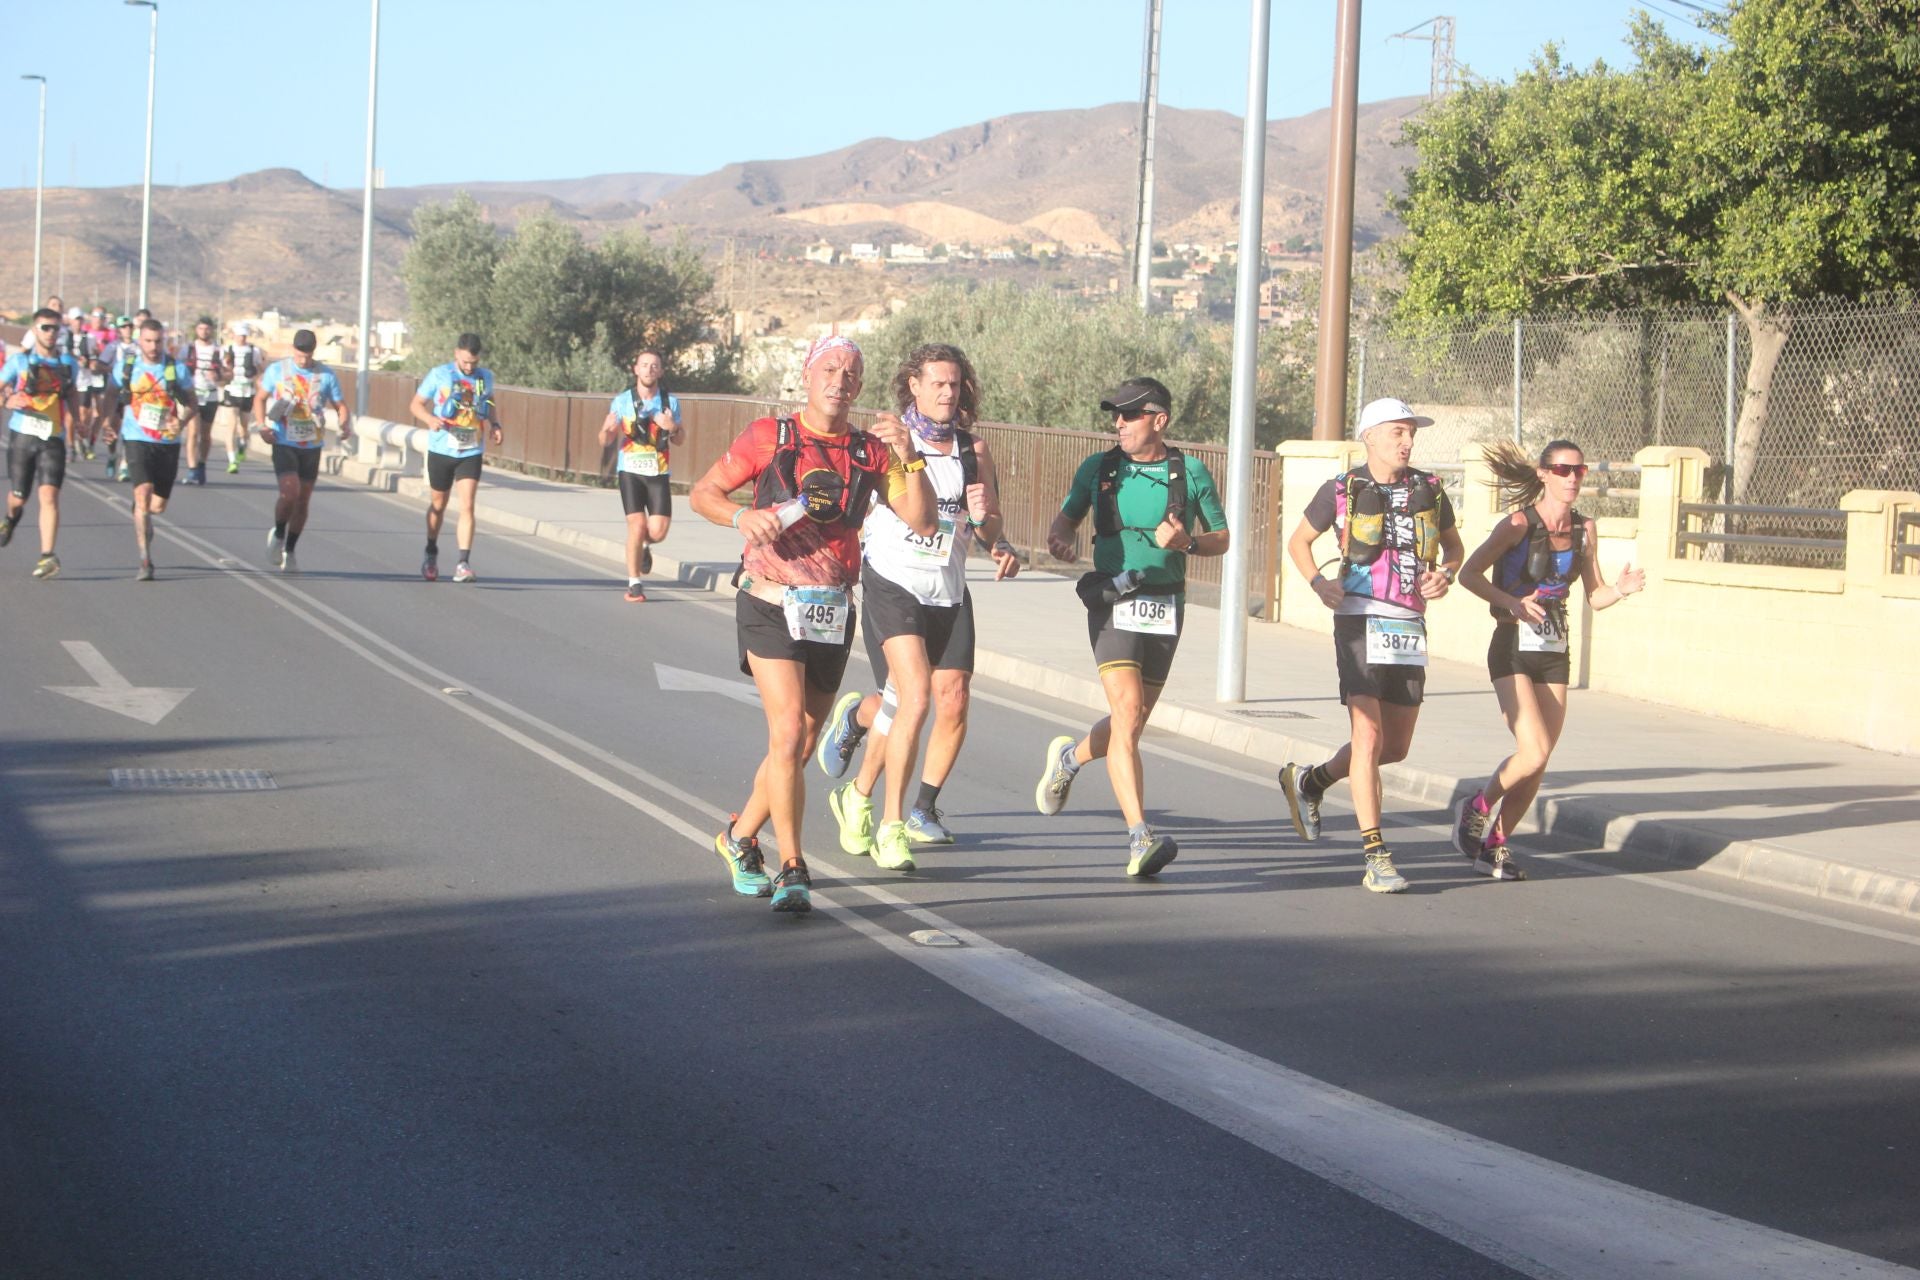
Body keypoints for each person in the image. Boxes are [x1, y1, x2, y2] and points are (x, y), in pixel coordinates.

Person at [688, 334, 936, 913]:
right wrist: (741, 516)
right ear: (807, 375)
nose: (840, 380)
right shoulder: (769, 437)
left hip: (830, 609)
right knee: (786, 735)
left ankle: (739, 836)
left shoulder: (872, 452)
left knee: (799, 747)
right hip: (769, 599)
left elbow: (922, 521)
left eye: (851, 372)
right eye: (829, 368)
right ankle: (793, 866)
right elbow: (704, 493)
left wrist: (912, 456)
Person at [815, 342, 1021, 870]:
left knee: (950, 697)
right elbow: (847, 507)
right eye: (937, 383)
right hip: (893, 581)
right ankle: (892, 825)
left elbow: (987, 525)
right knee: (914, 701)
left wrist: (995, 536)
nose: (948, 393)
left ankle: (858, 794)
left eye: (955, 384)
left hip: (947, 588)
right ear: (914, 385)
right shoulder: (885, 442)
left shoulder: (974, 451)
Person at [1032, 376, 1230, 878]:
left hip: (1166, 602)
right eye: (1115, 415)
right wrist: (1060, 541)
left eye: (1128, 415)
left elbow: (1222, 539)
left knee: (1133, 720)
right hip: (1113, 596)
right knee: (1125, 711)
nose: (1117, 423)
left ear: (1158, 421)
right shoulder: (1098, 469)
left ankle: (1070, 760)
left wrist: (1187, 544)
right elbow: (1064, 522)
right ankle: (1139, 836)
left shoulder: (1191, 472)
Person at [1277, 397, 1465, 893]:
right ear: (1370, 436)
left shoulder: (1430, 488)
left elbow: (1455, 547)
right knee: (1367, 736)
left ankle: (1309, 781)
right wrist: (1319, 583)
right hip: (1358, 620)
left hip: (1407, 626)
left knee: (1394, 747)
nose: (1406, 441)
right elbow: (1298, 542)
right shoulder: (1340, 489)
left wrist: (1445, 575)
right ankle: (1375, 854)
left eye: (1411, 433)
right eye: (1397, 432)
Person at [1450, 440, 1647, 879]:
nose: (1572, 478)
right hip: (1512, 644)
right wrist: (1513, 602)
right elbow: (1469, 574)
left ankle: (1496, 845)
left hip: (1554, 649)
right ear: (1543, 474)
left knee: (1541, 758)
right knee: (1533, 749)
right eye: (1562, 470)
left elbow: (1594, 595)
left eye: (1579, 471)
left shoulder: (1585, 529)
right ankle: (1476, 809)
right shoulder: (1517, 525)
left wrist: (1621, 590)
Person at [255, 328, 351, 574]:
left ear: (313, 352)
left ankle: (290, 549)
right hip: (283, 440)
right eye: (299, 355)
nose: (303, 360)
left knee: (303, 499)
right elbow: (260, 398)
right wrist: (261, 426)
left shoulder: (326, 375)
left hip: (311, 443)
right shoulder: (278, 370)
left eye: (307, 356)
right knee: (290, 493)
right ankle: (278, 533)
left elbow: (340, 405)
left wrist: (344, 423)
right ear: (293, 350)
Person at [409, 333, 502, 583]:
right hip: (441, 449)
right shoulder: (440, 374)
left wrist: (494, 424)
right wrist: (430, 419)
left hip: (470, 450)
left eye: (473, 362)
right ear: (456, 354)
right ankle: (430, 551)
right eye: (465, 362)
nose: (469, 367)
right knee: (438, 505)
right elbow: (416, 404)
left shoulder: (485, 377)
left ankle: (463, 563)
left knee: (468, 505)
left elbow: (489, 401)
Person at [595, 348, 683, 601]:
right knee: (636, 526)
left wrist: (673, 427)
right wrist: (607, 430)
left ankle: (643, 545)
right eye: (644, 365)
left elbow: (680, 439)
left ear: (661, 371)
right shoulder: (622, 401)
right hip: (630, 470)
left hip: (658, 470)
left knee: (657, 532)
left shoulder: (670, 402)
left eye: (654, 366)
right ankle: (634, 583)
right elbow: (605, 440)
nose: (649, 369)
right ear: (636, 369)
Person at [112, 318, 196, 581]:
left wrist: (180, 421)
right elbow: (110, 397)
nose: (153, 346)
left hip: (166, 442)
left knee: (157, 506)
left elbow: (193, 404)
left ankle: (143, 512)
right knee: (143, 493)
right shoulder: (127, 368)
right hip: (136, 438)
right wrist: (107, 423)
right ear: (139, 341)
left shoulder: (177, 370)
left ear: (164, 341)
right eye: (148, 341)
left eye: (158, 341)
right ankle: (145, 560)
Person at [0, 307, 81, 579]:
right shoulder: (20, 362)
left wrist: (78, 423)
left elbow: (71, 394)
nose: (50, 333)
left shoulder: (68, 363)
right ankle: (10, 518)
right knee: (19, 496)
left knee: (49, 495)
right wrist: (8, 400)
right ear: (34, 330)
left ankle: (47, 555)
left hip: (53, 437)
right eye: (45, 327)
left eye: (55, 328)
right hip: (23, 434)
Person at [181, 317, 225, 485]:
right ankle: (192, 470)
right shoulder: (188, 349)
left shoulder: (219, 351)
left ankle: (201, 464)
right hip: (193, 395)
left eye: (207, 329)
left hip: (211, 395)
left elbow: (228, 376)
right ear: (196, 330)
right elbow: (179, 369)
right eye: (200, 329)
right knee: (193, 432)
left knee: (206, 435)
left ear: (212, 330)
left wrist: (218, 376)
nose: (204, 332)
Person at [219, 321, 265, 474]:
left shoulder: (254, 351)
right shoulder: (226, 350)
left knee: (243, 427)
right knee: (231, 424)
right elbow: (220, 367)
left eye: (244, 335)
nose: (241, 338)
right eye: (239, 335)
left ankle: (242, 445)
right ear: (234, 335)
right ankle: (232, 461)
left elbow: (260, 369)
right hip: (231, 390)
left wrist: (257, 380)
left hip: (247, 391)